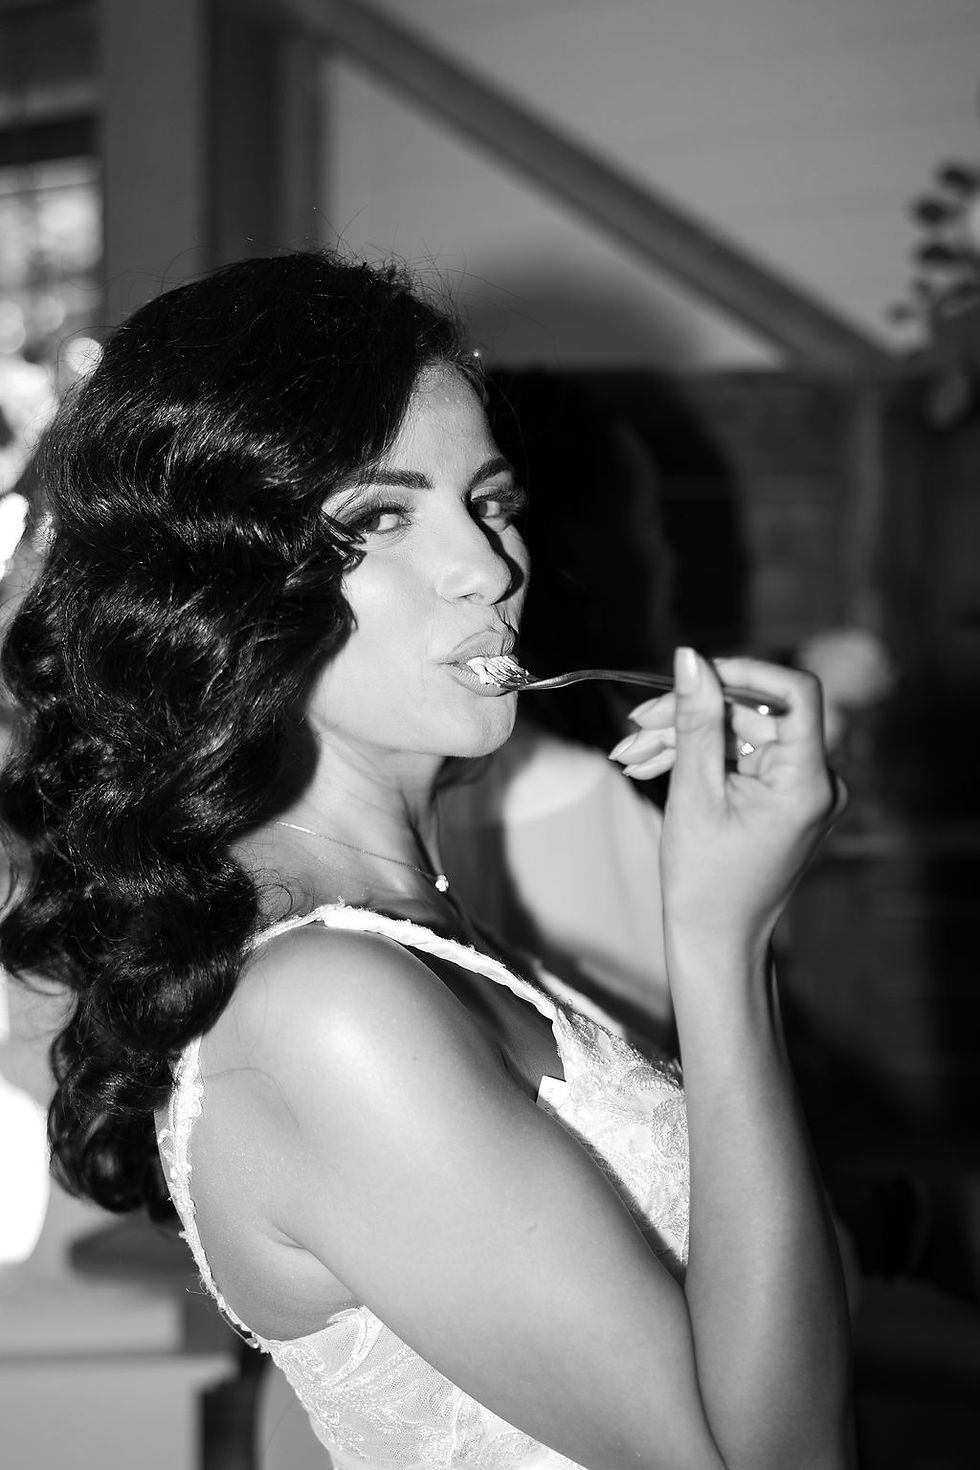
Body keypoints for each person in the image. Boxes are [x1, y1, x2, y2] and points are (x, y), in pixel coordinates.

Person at [0, 251, 852, 1470]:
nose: (487, 570)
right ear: (222, 585)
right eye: (379, 518)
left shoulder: (416, 933)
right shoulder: (325, 1010)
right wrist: (722, 942)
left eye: (489, 502)